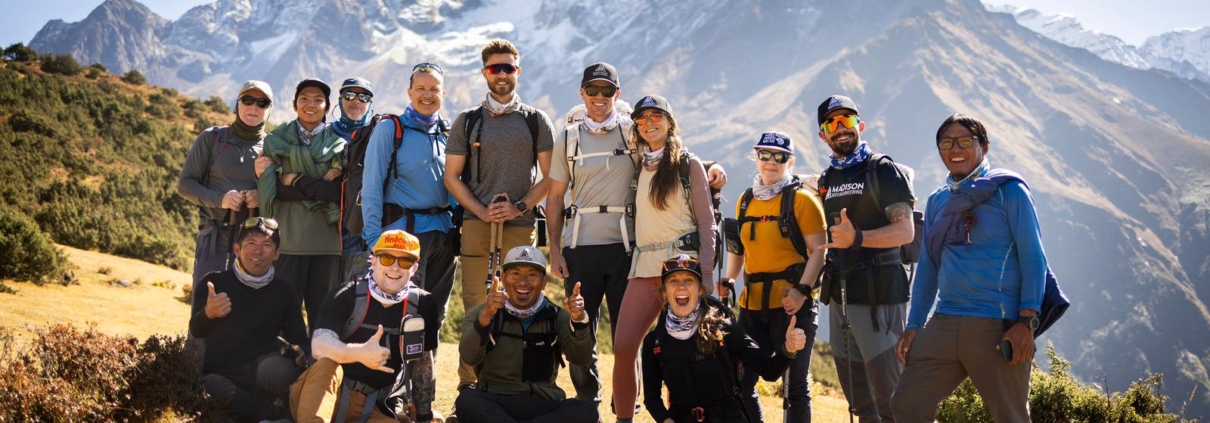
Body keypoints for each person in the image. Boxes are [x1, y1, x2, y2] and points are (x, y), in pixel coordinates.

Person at [547, 62, 730, 406]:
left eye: (607, 91)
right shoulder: (617, 148)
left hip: (668, 265)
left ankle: (685, 412)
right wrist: (554, 250)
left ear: (617, 96)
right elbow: (555, 196)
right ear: (583, 93)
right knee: (616, 340)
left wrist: (711, 168)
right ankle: (614, 409)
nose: (647, 124)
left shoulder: (661, 153)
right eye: (642, 119)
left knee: (684, 345)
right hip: (631, 261)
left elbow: (701, 208)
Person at [890, 114, 1046, 422]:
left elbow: (1033, 258)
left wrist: (1026, 322)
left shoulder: (1010, 193)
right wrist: (914, 324)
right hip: (945, 322)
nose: (955, 148)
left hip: (997, 324)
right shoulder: (937, 202)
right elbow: (929, 267)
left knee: (1010, 416)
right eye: (946, 142)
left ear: (984, 147)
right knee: (907, 405)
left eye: (965, 141)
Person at [444, 39, 555, 390]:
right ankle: (468, 387)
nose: (502, 74)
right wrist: (480, 210)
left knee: (522, 302)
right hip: (476, 226)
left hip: (521, 227)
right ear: (484, 73)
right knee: (477, 304)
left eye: (509, 67)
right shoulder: (466, 121)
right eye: (496, 68)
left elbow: (552, 177)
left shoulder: (536, 121)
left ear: (518, 72)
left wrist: (519, 206)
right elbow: (451, 177)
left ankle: (515, 383)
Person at [612, 95, 717, 423]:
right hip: (643, 268)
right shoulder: (638, 165)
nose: (648, 123)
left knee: (684, 352)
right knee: (624, 347)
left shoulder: (689, 164)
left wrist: (708, 277)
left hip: (683, 272)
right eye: (641, 119)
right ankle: (624, 419)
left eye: (656, 116)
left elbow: (707, 223)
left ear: (670, 122)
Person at [815, 95, 915, 422]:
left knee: (892, 399)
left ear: (861, 125)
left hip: (880, 300)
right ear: (823, 135)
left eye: (847, 119)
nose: (841, 127)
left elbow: (905, 231)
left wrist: (859, 238)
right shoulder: (827, 180)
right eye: (832, 122)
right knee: (859, 402)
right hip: (842, 299)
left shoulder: (882, 170)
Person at [719, 131, 828, 422]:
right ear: (755, 157)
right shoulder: (745, 200)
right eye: (764, 154)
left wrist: (801, 292)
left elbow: (820, 251)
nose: (771, 162)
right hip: (752, 309)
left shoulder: (803, 200)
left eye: (779, 156)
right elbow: (739, 249)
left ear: (789, 161)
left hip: (792, 309)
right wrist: (730, 279)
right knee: (741, 383)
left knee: (794, 388)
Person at [290, 229, 442, 423]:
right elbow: (319, 346)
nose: (395, 267)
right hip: (323, 391)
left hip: (372, 405)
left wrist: (423, 415)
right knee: (327, 364)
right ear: (374, 260)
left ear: (414, 268)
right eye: (387, 258)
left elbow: (423, 363)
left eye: (405, 261)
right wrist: (359, 353)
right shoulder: (344, 295)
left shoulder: (424, 304)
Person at [644, 254, 806, 423]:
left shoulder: (724, 328)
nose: (681, 286)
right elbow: (652, 398)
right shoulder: (655, 342)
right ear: (664, 292)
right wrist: (666, 420)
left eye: (689, 280)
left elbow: (769, 370)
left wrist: (788, 348)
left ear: (700, 290)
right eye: (674, 281)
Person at [360, 64, 457, 338]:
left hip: (443, 234)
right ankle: (398, 376)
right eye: (421, 89)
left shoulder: (448, 132)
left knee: (436, 312)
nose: (427, 95)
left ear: (444, 93)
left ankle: (426, 378)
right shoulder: (390, 129)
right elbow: (371, 186)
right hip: (404, 235)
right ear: (409, 92)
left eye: (434, 89)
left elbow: (454, 182)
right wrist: (373, 240)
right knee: (406, 311)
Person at [453, 246, 598, 423]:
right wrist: (485, 317)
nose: (523, 282)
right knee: (468, 401)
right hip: (497, 400)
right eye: (515, 273)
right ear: (504, 278)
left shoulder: (557, 316)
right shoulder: (482, 313)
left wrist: (579, 320)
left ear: (544, 281)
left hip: (543, 403)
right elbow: (469, 356)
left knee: (585, 411)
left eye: (532, 275)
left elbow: (581, 358)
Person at [190, 217, 308, 422]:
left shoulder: (285, 292)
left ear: (277, 254)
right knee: (210, 386)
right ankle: (270, 414)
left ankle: (259, 410)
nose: (258, 251)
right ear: (237, 249)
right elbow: (196, 330)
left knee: (284, 371)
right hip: (222, 374)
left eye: (267, 245)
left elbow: (299, 337)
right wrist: (208, 314)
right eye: (251, 244)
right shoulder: (214, 283)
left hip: (263, 372)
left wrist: (302, 351)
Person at [256, 78, 346, 332]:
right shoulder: (276, 140)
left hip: (327, 245)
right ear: (294, 104)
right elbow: (274, 190)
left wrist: (296, 179)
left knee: (324, 320)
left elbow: (336, 193)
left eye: (318, 100)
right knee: (284, 319)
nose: (311, 104)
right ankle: (283, 370)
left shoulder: (338, 145)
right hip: (287, 242)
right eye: (304, 98)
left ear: (327, 107)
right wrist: (317, 186)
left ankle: (319, 372)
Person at [178, 80, 272, 289]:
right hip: (214, 237)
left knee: (246, 311)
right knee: (207, 305)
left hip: (253, 242)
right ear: (237, 104)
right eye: (247, 100)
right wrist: (221, 200)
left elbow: (280, 196)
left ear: (269, 109)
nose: (254, 107)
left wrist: (260, 195)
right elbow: (185, 185)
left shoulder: (273, 147)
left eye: (262, 102)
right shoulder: (212, 138)